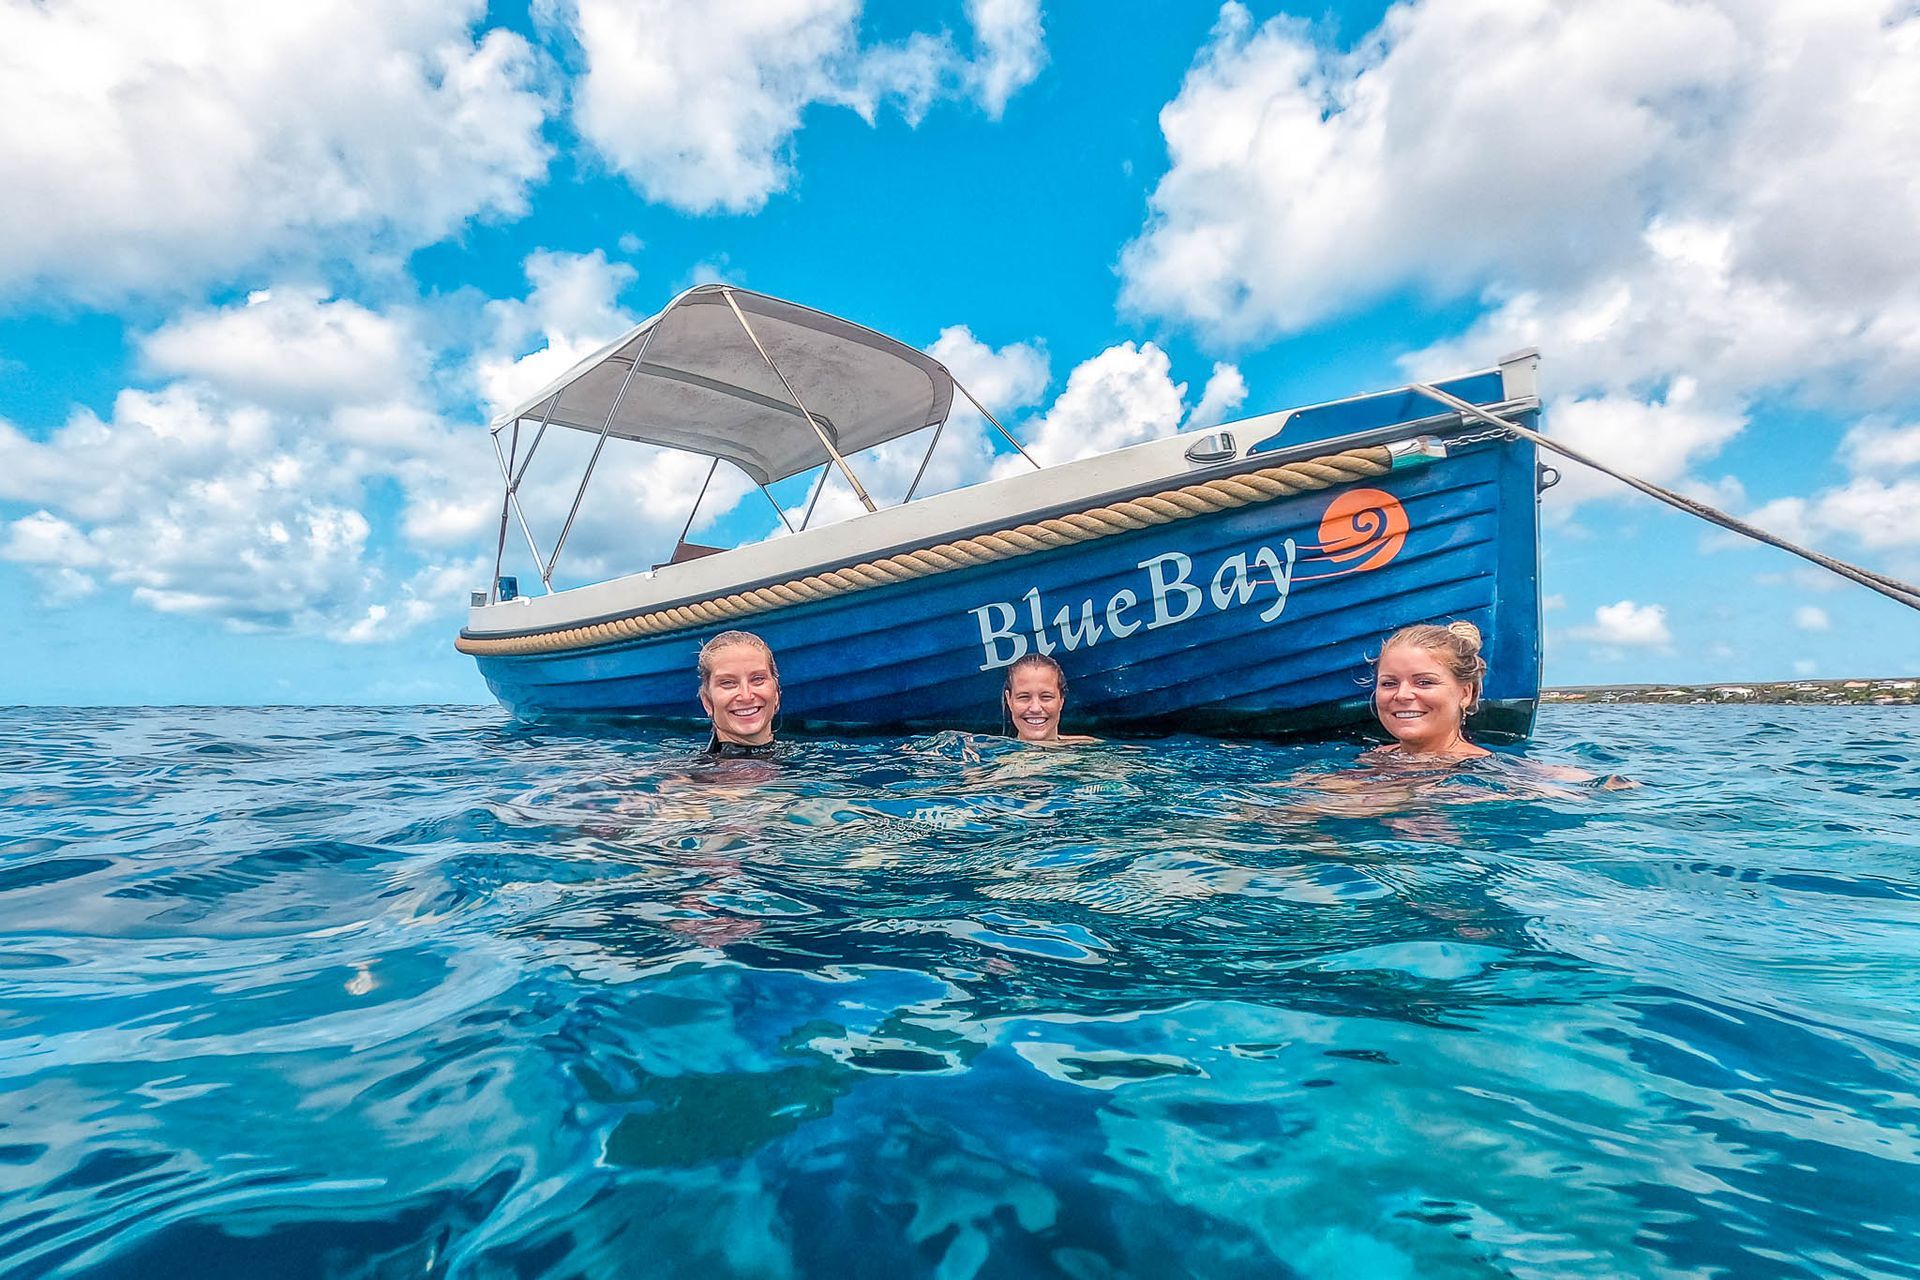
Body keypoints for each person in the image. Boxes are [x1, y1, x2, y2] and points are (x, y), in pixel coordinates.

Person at [1370, 620, 1491, 761]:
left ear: (1465, 694)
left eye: (1424, 682)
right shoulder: (1375, 758)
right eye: (1389, 683)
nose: (1402, 695)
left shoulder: (1484, 770)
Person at [697, 630, 780, 757]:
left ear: (776, 694)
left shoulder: (806, 761)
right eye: (727, 683)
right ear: (707, 702)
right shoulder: (689, 776)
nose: (746, 696)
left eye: (758, 679)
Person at [1002, 653, 1098, 745]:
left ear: (1061, 699)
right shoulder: (994, 758)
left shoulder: (1090, 747)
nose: (1035, 708)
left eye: (1046, 697)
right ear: (1009, 700)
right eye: (1024, 697)